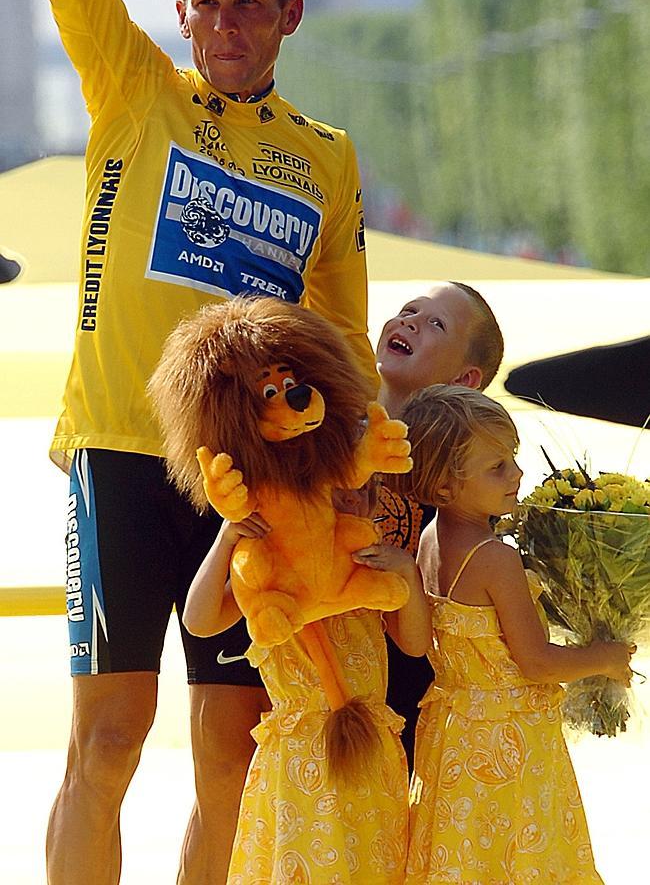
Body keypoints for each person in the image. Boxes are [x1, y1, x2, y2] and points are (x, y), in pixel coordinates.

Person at [15, 0, 377, 883]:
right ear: (179, 15)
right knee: (112, 738)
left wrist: (370, 476)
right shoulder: (134, 86)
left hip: (252, 482)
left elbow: (343, 338)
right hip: (121, 455)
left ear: (287, 16)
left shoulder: (325, 155)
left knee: (232, 748)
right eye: (205, 4)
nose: (223, 23)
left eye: (247, 4)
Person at [396, 384, 635, 883]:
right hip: (510, 743)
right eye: (497, 467)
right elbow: (537, 663)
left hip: (453, 738)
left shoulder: (429, 540)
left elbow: (414, 642)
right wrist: (606, 657)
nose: (518, 474)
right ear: (443, 487)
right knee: (520, 857)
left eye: (513, 458)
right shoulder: (495, 559)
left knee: (465, 856)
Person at [182, 486, 430, 884]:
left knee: (369, 865)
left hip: (367, 752)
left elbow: (415, 645)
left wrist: (406, 573)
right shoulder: (273, 571)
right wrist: (227, 537)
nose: (355, 501)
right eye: (338, 490)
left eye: (368, 490)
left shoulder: (366, 567)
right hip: (299, 756)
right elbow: (199, 620)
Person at [371, 280, 505, 769]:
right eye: (409, 310)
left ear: (466, 378)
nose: (409, 322)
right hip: (321, 689)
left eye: (435, 324)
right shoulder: (323, 435)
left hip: (413, 715)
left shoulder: (465, 480)